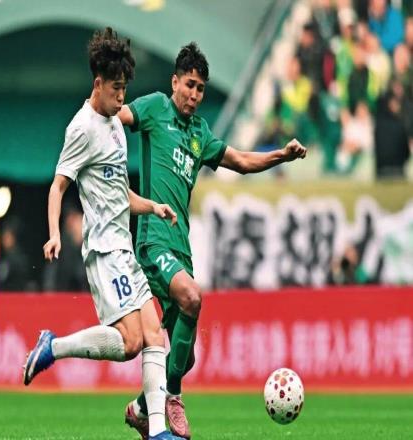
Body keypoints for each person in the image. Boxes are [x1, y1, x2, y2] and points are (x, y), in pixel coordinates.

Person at [118, 42, 307, 439]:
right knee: (192, 297)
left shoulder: (199, 133)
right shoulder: (154, 108)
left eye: (201, 88)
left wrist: (282, 156)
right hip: (153, 242)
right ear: (175, 82)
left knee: (184, 357)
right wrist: (94, 115)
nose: (194, 94)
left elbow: (241, 161)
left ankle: (140, 408)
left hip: (181, 250)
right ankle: (172, 399)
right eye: (189, 85)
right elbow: (116, 115)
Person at [22, 27, 184, 440]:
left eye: (125, 88)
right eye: (116, 89)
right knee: (132, 342)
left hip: (123, 248)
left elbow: (118, 192)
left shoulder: (115, 124)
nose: (122, 97)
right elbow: (58, 186)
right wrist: (54, 233)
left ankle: (157, 430)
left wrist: (152, 206)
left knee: (155, 335)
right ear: (98, 84)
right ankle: (53, 346)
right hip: (104, 252)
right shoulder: (82, 128)